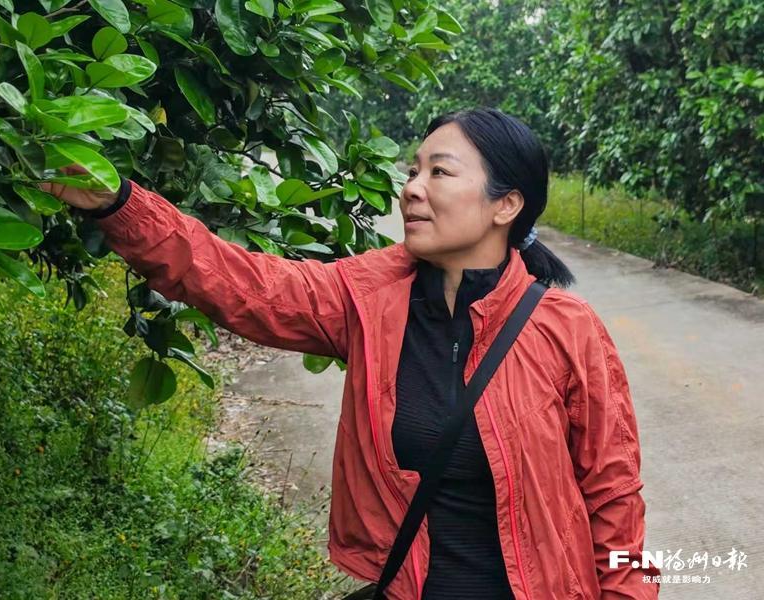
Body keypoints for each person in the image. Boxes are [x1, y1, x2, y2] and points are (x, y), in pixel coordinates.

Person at [42, 107, 660, 599]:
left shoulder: (566, 329)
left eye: (439, 173)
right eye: (413, 171)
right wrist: (119, 205)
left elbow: (615, 494)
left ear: (506, 203)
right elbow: (242, 285)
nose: (412, 189)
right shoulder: (366, 299)